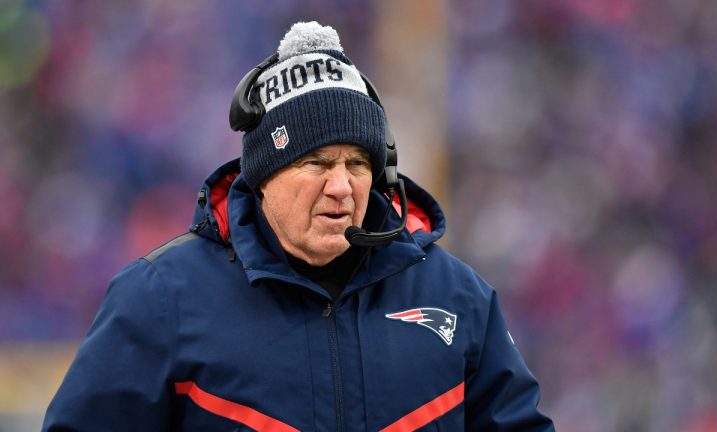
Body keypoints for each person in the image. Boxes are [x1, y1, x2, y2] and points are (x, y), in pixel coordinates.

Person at [43, 21, 555, 431]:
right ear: (263, 175)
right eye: (316, 162)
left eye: (357, 164)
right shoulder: (158, 299)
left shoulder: (459, 297)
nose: (341, 186)